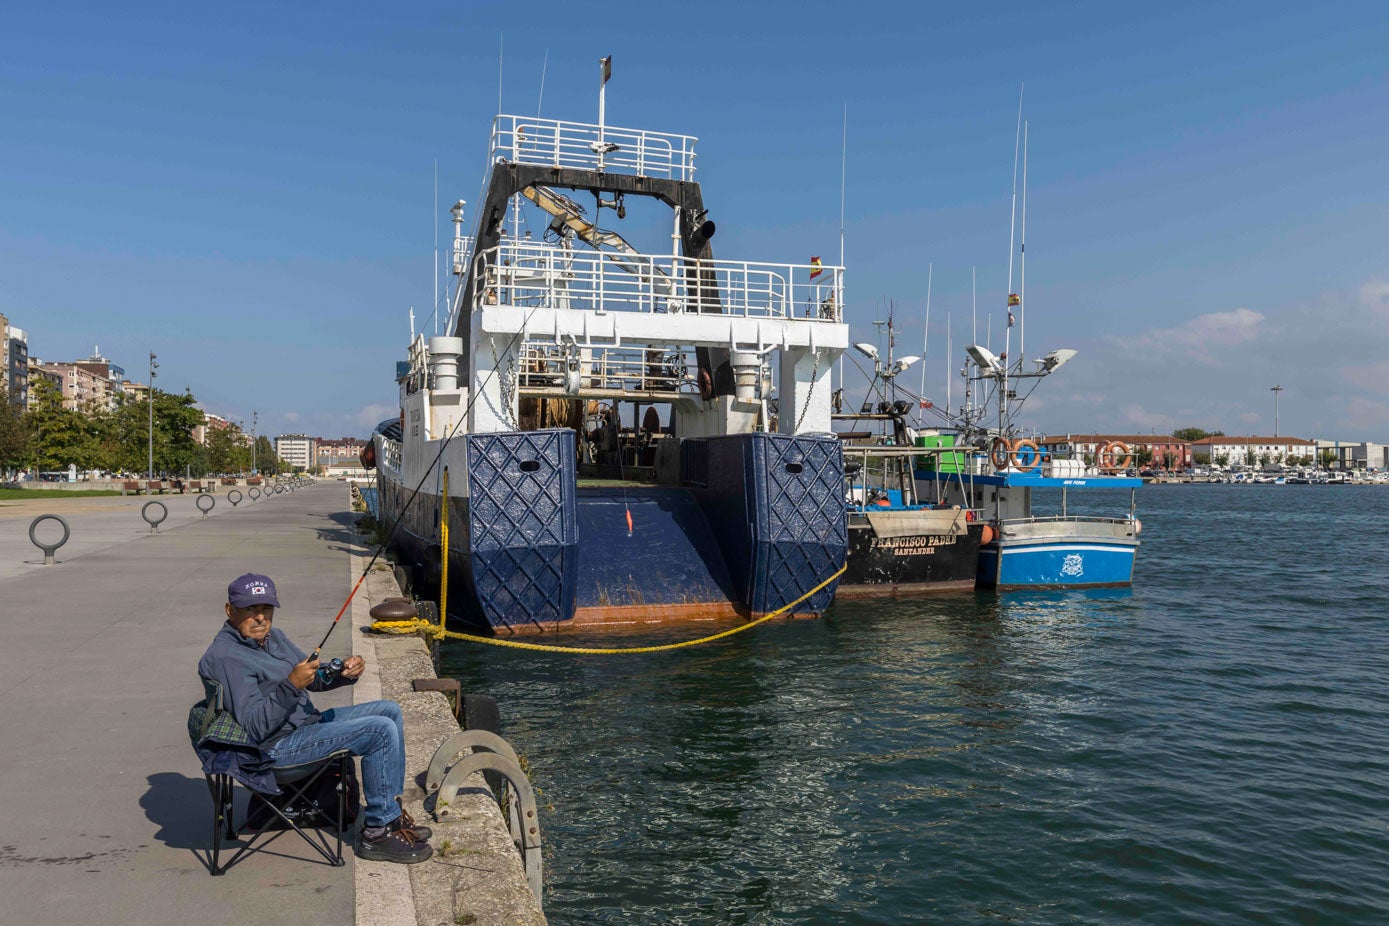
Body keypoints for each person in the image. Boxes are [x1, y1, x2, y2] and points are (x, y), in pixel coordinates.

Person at [198, 573, 433, 863]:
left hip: (305, 725)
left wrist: (342, 673)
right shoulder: (226, 657)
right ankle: (377, 834)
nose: (260, 618)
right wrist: (290, 685)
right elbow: (255, 727)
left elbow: (313, 679)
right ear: (229, 610)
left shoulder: (274, 638)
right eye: (250, 610)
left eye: (266, 609)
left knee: (389, 710)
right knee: (380, 730)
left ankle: (391, 815)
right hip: (274, 749)